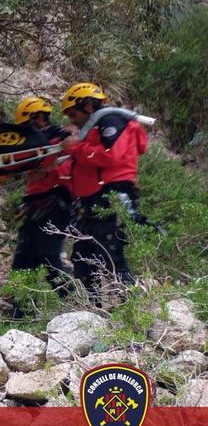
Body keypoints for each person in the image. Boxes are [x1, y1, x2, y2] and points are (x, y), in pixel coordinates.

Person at [58, 83, 148, 303]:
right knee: (83, 258)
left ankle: (133, 311)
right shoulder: (96, 127)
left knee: (112, 256)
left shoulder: (111, 121)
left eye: (73, 113)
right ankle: (94, 308)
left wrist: (75, 148)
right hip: (93, 201)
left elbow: (110, 155)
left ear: (88, 106)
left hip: (110, 196)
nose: (71, 119)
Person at [10, 97, 74, 293]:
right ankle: (21, 312)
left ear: (36, 118)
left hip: (53, 203)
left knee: (49, 258)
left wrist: (46, 170)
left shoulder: (61, 137)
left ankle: (72, 302)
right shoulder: (37, 144)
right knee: (23, 261)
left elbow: (70, 160)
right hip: (35, 205)